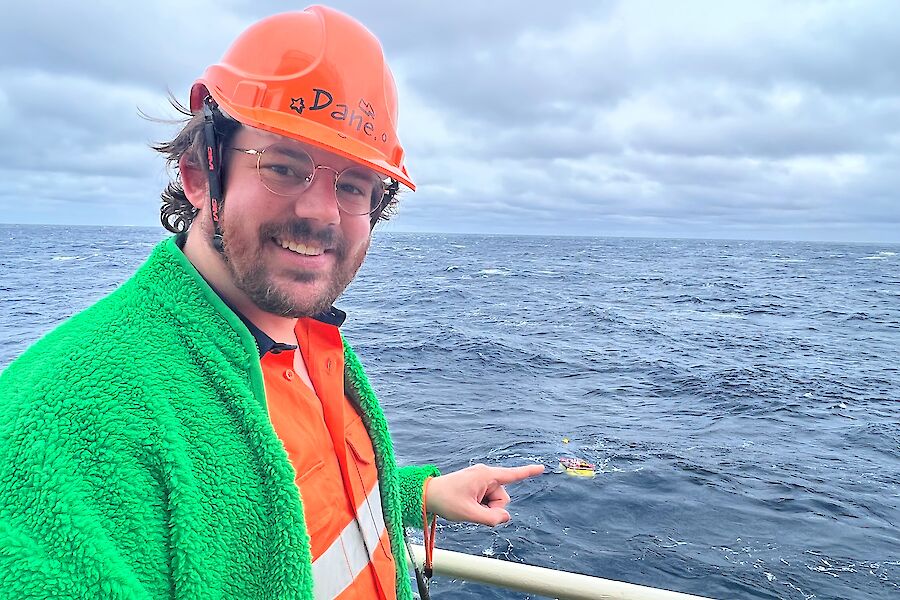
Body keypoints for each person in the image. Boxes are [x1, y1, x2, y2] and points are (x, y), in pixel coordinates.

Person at [0, 6, 543, 599]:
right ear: (200, 174)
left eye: (354, 184)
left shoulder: (309, 338)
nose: (320, 211)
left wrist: (418, 494)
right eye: (284, 167)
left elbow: (298, 498)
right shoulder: (61, 421)